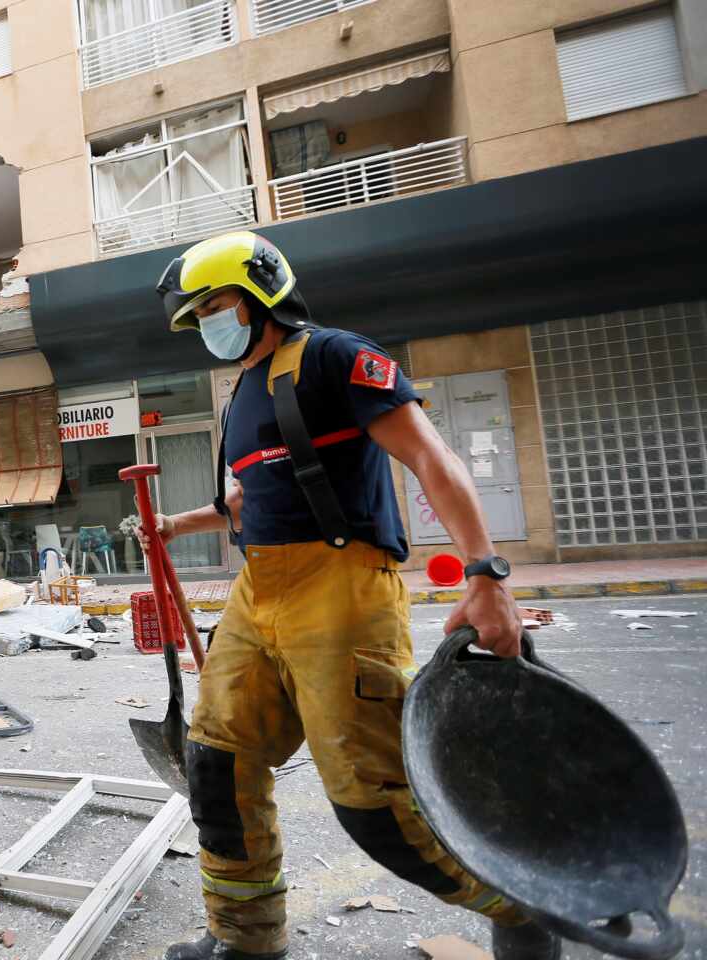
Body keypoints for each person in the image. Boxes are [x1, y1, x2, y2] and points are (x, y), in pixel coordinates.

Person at [146, 231, 559, 960]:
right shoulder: (243, 392)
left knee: (374, 806)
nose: (207, 323)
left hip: (342, 590)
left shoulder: (336, 356)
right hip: (258, 588)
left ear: (260, 293)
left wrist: (485, 573)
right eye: (198, 314)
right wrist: (182, 524)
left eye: (215, 306)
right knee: (216, 763)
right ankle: (245, 940)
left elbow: (431, 456)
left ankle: (523, 906)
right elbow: (254, 496)